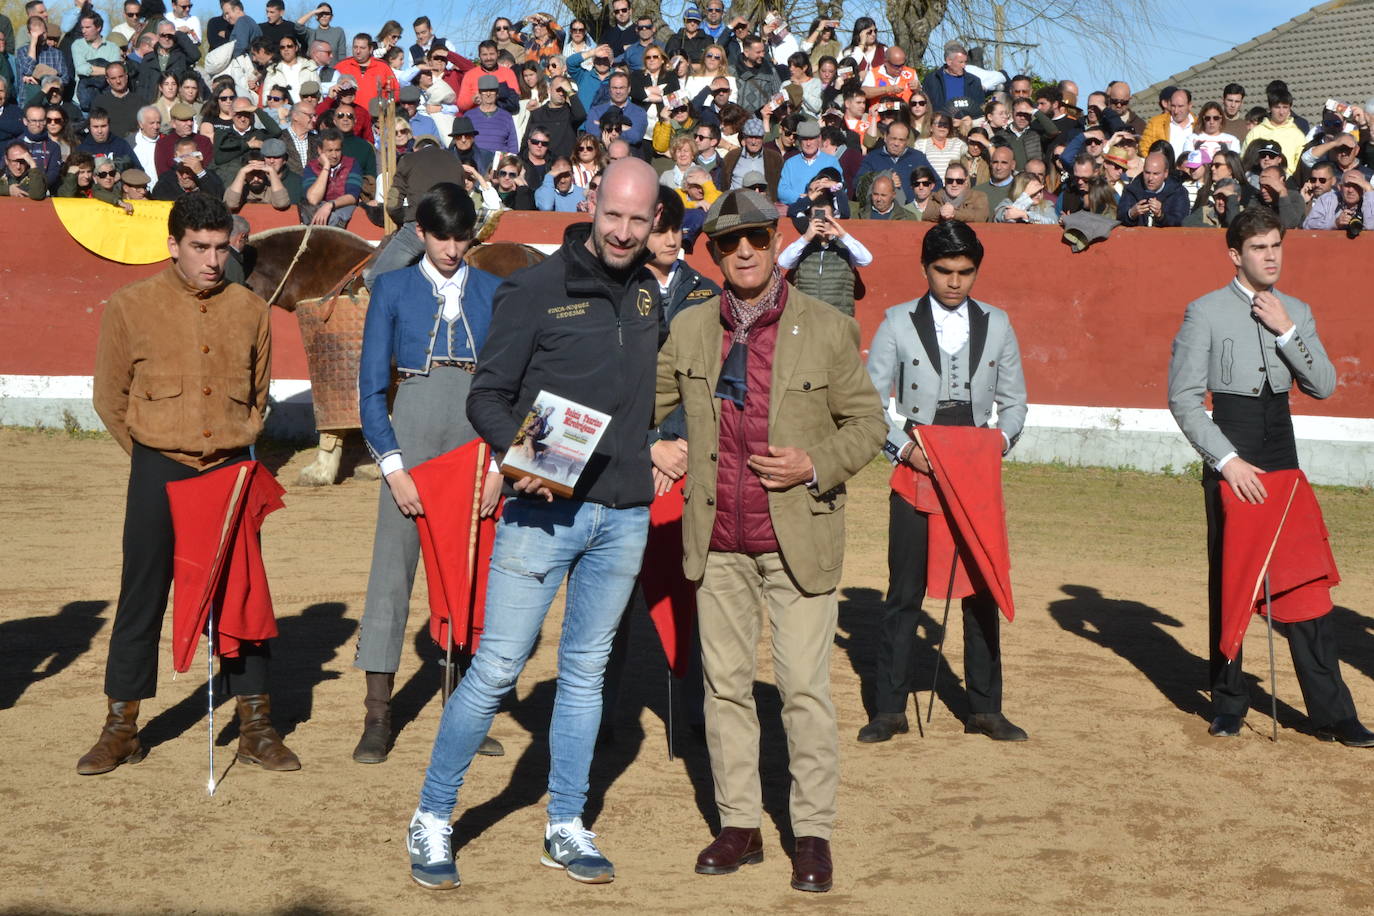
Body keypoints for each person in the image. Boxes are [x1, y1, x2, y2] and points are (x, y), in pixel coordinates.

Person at [405, 158, 663, 891]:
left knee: (585, 677)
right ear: (590, 204)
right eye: (613, 214)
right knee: (495, 671)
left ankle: (566, 823)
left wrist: (669, 431)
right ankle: (432, 816)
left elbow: (659, 391)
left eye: (637, 220)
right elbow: (485, 397)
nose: (622, 231)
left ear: (653, 224)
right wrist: (517, 459)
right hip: (542, 509)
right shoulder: (534, 288)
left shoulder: (648, 294)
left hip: (622, 513)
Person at [654, 187, 885, 894]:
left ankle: (811, 833)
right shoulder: (691, 329)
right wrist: (646, 446)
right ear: (715, 252)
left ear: (773, 238)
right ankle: (740, 825)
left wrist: (816, 463)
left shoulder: (825, 326)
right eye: (729, 241)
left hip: (798, 538)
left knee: (804, 690)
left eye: (755, 236)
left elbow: (868, 425)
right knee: (725, 691)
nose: (745, 250)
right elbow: (641, 400)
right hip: (717, 538)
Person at [81, 192, 298, 776]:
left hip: (227, 468)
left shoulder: (250, 309)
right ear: (172, 245)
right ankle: (121, 727)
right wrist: (156, 456)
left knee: (241, 594)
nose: (212, 260)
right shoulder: (130, 306)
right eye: (199, 248)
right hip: (159, 466)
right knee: (142, 593)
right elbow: (109, 399)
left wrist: (227, 446)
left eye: (221, 248)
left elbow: (257, 398)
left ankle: (255, 726)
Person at [1166, 206, 1374, 747]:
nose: (1271, 256)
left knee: (1303, 580)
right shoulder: (1204, 312)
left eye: (1276, 245)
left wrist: (1286, 332)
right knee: (1232, 580)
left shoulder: (1296, 310)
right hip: (1231, 449)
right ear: (1236, 255)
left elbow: (1324, 384)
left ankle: (1332, 711)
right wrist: (1226, 461)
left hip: (1282, 449)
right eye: (1259, 248)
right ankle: (1229, 701)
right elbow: (1184, 400)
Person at [352, 182, 506, 765]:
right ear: (421, 233)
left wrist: (496, 464)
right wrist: (393, 468)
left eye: (461, 236)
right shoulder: (390, 288)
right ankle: (377, 715)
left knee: (465, 570)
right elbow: (371, 391)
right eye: (440, 235)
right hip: (411, 429)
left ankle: (462, 712)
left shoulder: (494, 290)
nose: (450, 247)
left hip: (473, 432)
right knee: (392, 569)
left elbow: (507, 386)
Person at [859, 218, 1028, 747]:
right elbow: (867, 403)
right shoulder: (896, 321)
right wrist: (904, 450)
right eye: (944, 271)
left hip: (972, 467)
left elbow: (1016, 403)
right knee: (904, 590)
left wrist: (995, 446)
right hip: (917, 465)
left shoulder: (997, 324)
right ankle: (889, 708)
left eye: (965, 272)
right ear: (926, 268)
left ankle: (985, 707)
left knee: (980, 587)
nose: (955, 281)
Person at [779, 188, 873, 315]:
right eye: (817, 218)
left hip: (838, 321)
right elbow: (783, 262)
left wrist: (843, 235)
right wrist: (806, 237)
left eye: (826, 219)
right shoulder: (803, 246)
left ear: (833, 219)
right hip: (806, 319)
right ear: (810, 220)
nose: (822, 223)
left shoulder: (844, 247)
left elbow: (866, 259)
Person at [300, 126, 359, 226]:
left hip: (341, 209)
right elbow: (313, 199)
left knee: (333, 218)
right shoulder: (311, 167)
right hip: (317, 210)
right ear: (320, 150)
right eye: (330, 150)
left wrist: (330, 205)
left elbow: (352, 196)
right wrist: (326, 167)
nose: (334, 155)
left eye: (337, 150)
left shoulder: (351, 164)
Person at [776, 119, 838, 205]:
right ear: (799, 140)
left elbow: (840, 188)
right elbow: (782, 192)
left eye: (812, 139)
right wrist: (804, 198)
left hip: (823, 211)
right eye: (805, 139)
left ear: (819, 138)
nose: (808, 143)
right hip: (796, 211)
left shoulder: (831, 162)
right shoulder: (790, 163)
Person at [1117, 151, 1189, 227]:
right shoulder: (1131, 190)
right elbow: (1119, 219)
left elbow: (1181, 222)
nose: (1150, 178)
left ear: (1165, 173)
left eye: (1156, 174)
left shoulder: (1178, 192)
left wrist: (1161, 216)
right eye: (1147, 173)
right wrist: (1131, 214)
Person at [920, 40, 985, 118]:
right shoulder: (932, 80)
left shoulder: (974, 81)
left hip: (966, 125)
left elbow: (979, 109)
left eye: (965, 62)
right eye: (960, 62)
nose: (964, 66)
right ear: (949, 61)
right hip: (940, 124)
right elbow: (925, 106)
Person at [921, 161, 989, 222]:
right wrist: (941, 212)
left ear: (965, 182)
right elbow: (926, 215)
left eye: (959, 181)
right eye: (950, 180)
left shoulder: (978, 196)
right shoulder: (935, 197)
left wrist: (954, 213)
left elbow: (981, 217)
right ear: (945, 181)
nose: (954, 184)